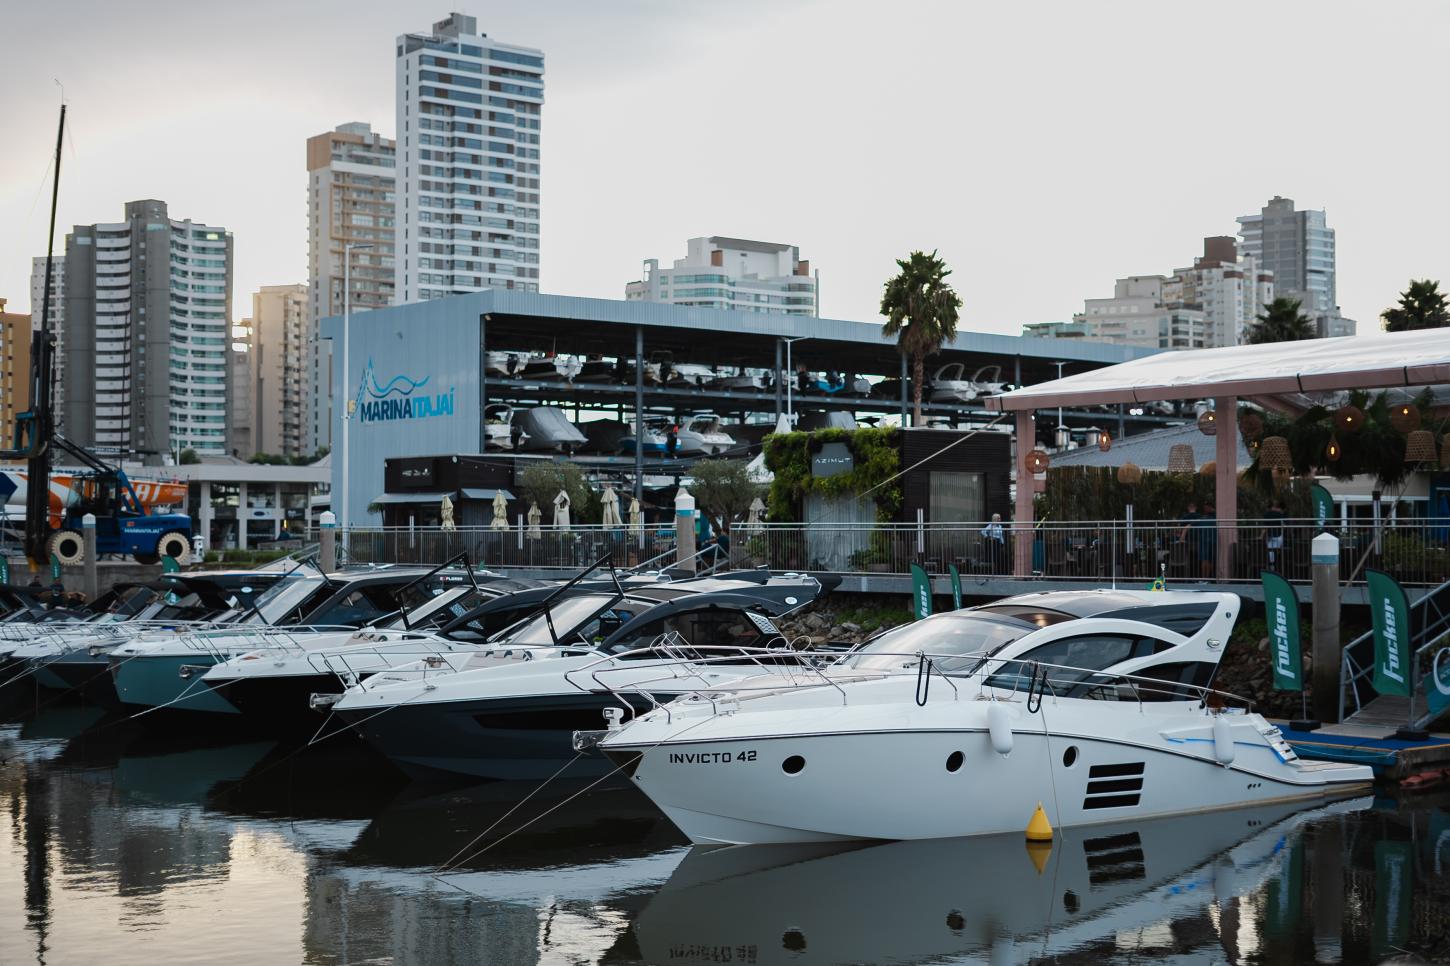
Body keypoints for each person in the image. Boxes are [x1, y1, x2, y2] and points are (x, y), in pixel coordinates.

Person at [1264, 499, 1287, 567]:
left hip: (1270, 536)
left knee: (1271, 551)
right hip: (1278, 536)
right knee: (1278, 551)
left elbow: (1264, 527)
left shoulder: (1266, 514)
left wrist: (1261, 536)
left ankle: (1272, 566)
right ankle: (1278, 566)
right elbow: (1283, 525)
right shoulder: (1279, 514)